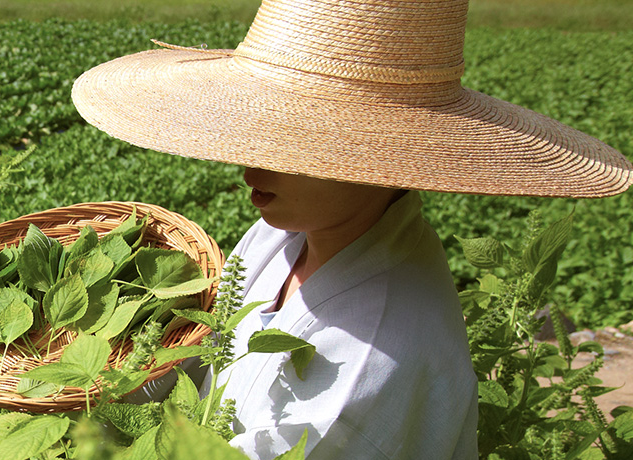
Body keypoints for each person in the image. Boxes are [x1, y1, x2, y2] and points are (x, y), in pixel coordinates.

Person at [69, 0, 632, 458]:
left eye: (287, 142)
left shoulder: (369, 357)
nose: (248, 166)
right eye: (249, 135)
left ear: (378, 159)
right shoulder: (290, 234)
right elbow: (207, 351)